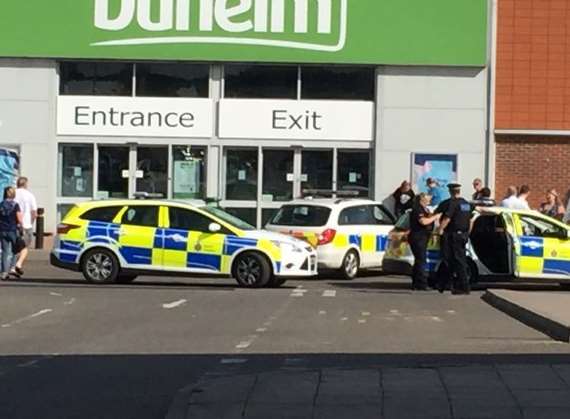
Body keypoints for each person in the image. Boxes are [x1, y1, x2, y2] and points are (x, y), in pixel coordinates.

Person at [437, 183, 472, 295]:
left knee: (452, 260)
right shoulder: (466, 204)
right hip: (462, 235)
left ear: (450, 191)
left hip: (452, 236)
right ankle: (447, 284)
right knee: (457, 260)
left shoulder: (452, 203)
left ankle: (463, 287)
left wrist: (440, 230)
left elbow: (447, 218)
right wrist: (467, 233)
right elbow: (471, 220)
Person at [408, 193, 441, 291]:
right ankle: (421, 284)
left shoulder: (424, 209)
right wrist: (435, 217)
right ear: (422, 199)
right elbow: (423, 221)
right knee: (422, 260)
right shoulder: (418, 209)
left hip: (422, 237)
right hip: (418, 237)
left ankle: (416, 283)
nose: (429, 201)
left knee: (418, 261)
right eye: (427, 199)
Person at [14, 177, 37, 276]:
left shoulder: (12, 194)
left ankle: (10, 266)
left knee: (12, 247)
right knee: (24, 247)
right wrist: (31, 222)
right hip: (26, 224)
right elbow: (34, 212)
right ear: (26, 184)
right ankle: (18, 265)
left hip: (13, 224)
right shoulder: (30, 195)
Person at [0, 187, 23, 281]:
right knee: (15, 250)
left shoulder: (1, 204)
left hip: (2, 230)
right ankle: (12, 267)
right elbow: (19, 218)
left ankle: (4, 272)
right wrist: (21, 227)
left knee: (5, 251)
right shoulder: (15, 205)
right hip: (13, 230)